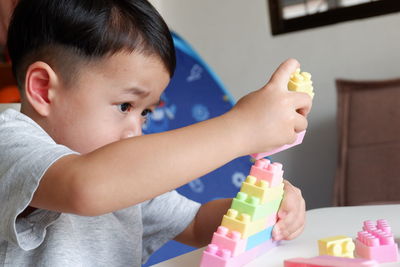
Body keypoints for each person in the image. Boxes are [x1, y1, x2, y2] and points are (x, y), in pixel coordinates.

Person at [0, 0, 311, 266]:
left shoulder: (125, 173)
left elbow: (195, 222)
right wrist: (242, 127)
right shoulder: (11, 142)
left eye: (146, 111)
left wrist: (261, 207)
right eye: (125, 106)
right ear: (42, 89)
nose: (136, 129)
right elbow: (85, 187)